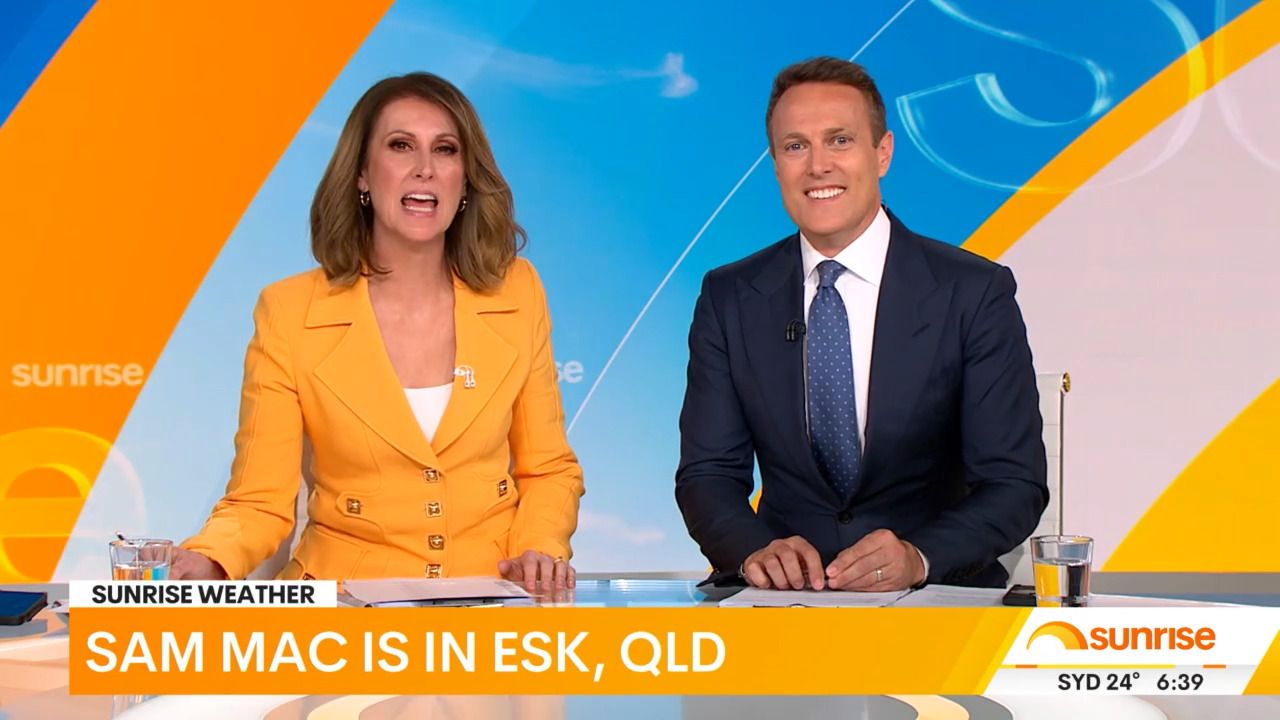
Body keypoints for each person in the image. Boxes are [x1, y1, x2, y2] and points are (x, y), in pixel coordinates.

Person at [171, 72, 584, 590]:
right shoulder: (288, 312)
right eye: (400, 146)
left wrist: (538, 549)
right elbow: (260, 502)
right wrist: (209, 560)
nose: (425, 168)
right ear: (362, 175)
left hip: (490, 599)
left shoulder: (518, 292)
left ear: (465, 180)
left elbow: (548, 469)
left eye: (445, 150)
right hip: (344, 608)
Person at [675, 57, 1047, 591]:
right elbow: (707, 474)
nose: (818, 166)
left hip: (935, 597)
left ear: (883, 153)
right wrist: (755, 550)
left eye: (840, 140)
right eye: (795, 146)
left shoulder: (973, 292)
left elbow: (1014, 483)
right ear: (776, 165)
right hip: (781, 602)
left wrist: (919, 557)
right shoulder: (729, 296)